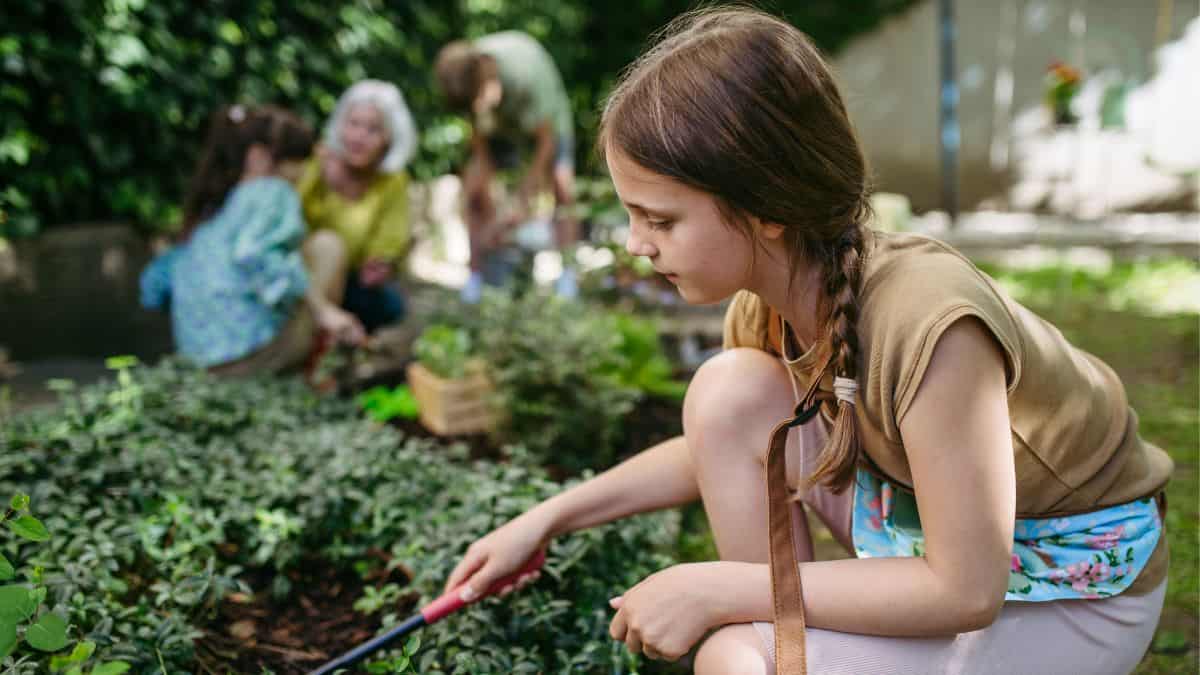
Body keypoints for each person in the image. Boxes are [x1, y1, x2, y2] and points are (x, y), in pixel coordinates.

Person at [441, 9, 1172, 674]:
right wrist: (543, 520)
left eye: (660, 221)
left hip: (1066, 584)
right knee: (727, 390)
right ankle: (782, 630)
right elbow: (716, 441)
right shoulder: (770, 300)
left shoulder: (934, 325)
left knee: (734, 652)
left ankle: (772, 629)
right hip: (922, 531)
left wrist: (718, 588)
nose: (637, 244)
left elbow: (968, 588)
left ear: (766, 209)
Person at [141, 104, 365, 375]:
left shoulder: (212, 208)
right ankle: (316, 370)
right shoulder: (272, 191)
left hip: (201, 366)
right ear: (260, 157)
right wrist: (324, 311)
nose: (304, 173)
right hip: (254, 356)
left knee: (303, 250)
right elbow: (253, 253)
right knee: (328, 246)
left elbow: (153, 288)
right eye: (298, 162)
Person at [434, 30, 581, 302]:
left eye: (479, 99)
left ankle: (568, 275)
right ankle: (475, 277)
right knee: (474, 192)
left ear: (487, 75)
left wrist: (523, 197)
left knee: (562, 189)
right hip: (500, 126)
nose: (476, 109)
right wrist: (489, 204)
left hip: (547, 124)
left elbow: (546, 144)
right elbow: (480, 148)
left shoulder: (526, 71)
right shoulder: (464, 79)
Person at [298, 80, 418, 333]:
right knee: (328, 246)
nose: (359, 137)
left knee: (390, 305)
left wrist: (380, 263)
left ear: (389, 138)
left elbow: (391, 238)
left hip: (352, 280)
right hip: (302, 270)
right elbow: (290, 215)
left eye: (373, 129)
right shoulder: (316, 162)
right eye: (354, 124)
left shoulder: (392, 181)